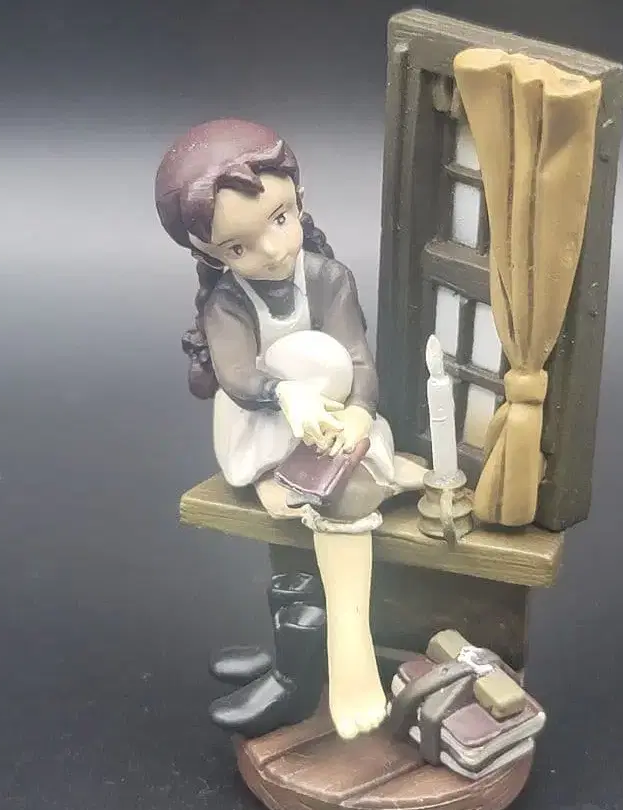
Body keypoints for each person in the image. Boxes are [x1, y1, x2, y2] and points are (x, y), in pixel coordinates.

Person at [155, 118, 426, 740]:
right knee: (309, 384)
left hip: (332, 420)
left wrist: (358, 413)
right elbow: (237, 377)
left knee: (340, 433)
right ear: (210, 255)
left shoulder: (329, 278)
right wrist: (285, 395)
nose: (272, 250)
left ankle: (314, 658)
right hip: (264, 429)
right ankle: (324, 657)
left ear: (299, 200)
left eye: (280, 219)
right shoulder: (227, 303)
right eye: (238, 248)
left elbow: (358, 362)